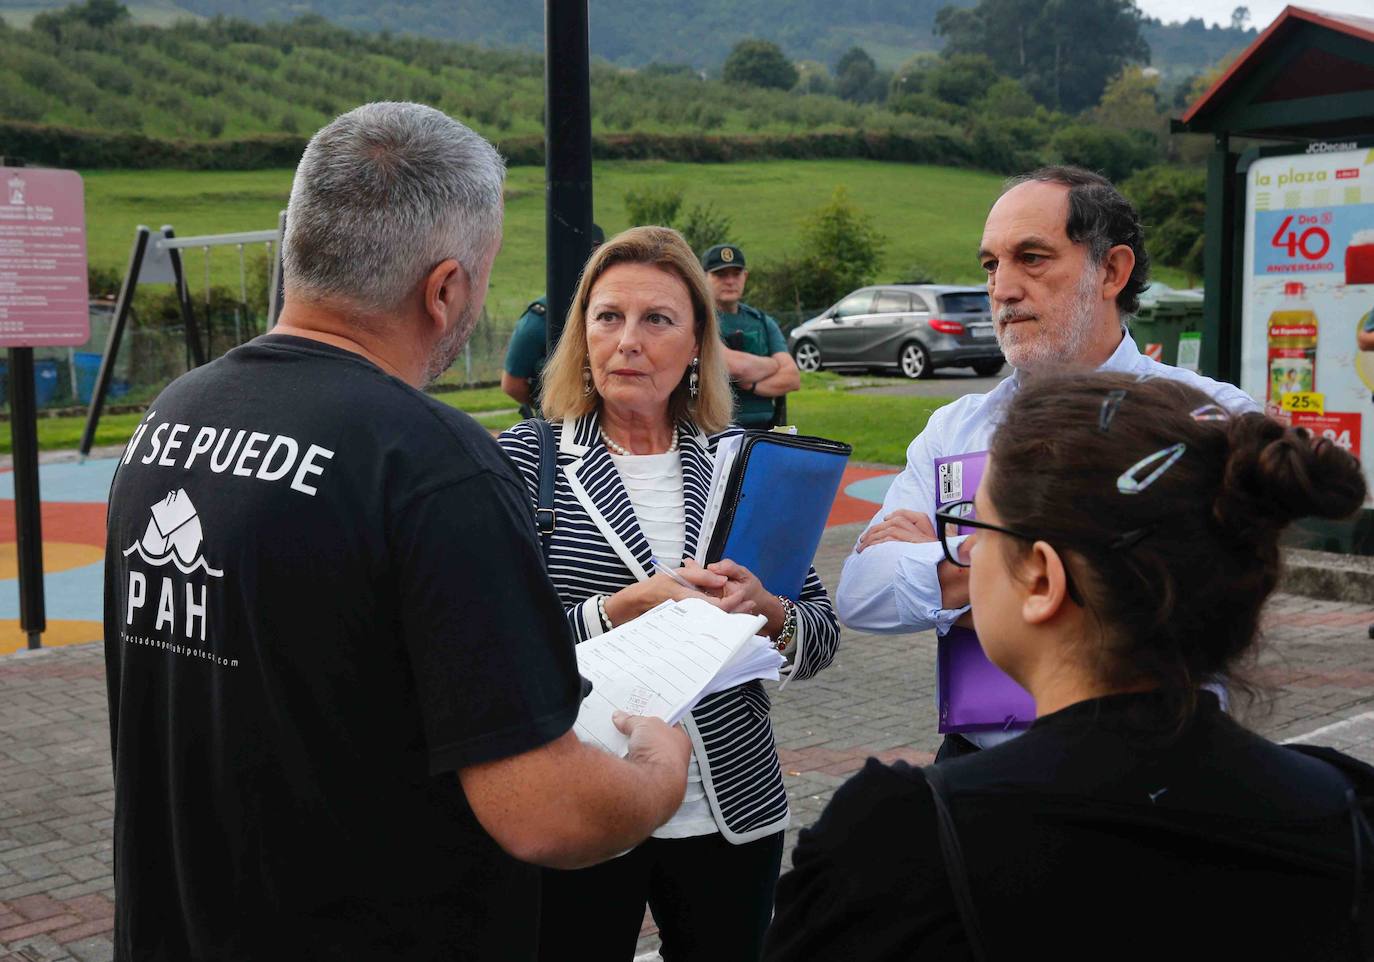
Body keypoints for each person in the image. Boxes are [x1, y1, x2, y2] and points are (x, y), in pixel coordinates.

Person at [102, 103, 692, 962]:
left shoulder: (171, 418)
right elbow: (547, 813)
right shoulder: (433, 464)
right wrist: (657, 771)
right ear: (445, 288)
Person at [767, 371, 1374, 961]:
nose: (960, 554)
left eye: (976, 530)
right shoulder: (1345, 808)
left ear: (1042, 580)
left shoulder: (901, 844)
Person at [499, 226, 841, 962]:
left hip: (730, 814)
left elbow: (821, 636)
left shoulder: (738, 464)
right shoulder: (521, 463)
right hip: (583, 800)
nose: (628, 340)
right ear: (582, 335)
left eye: (657, 319)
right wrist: (619, 609)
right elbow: (492, 645)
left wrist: (769, 611)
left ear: (696, 346)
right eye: (608, 316)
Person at [835, 165, 1258, 759]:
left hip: (1157, 765)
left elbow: (1196, 601)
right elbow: (861, 594)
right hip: (981, 764)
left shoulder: (1209, 416)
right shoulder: (954, 428)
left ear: (1111, 271)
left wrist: (954, 560)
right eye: (991, 264)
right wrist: (1062, 561)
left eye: (1031, 258)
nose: (1002, 289)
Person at [501, 224, 605, 416]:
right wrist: (553, 404)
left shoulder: (619, 309)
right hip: (559, 421)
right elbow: (512, 384)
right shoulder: (539, 319)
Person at [702, 243, 800, 428]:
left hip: (764, 430)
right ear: (703, 278)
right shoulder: (699, 320)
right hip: (715, 431)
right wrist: (773, 364)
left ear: (745, 277)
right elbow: (734, 367)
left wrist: (752, 385)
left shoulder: (762, 322)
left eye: (736, 274)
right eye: (721, 275)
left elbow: (792, 377)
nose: (730, 281)